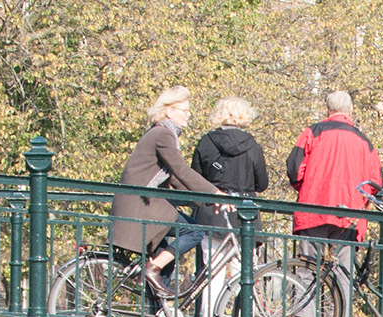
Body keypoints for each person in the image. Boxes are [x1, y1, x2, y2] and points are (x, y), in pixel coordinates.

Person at [113, 87, 222, 296]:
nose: (189, 114)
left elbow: (173, 177)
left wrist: (203, 201)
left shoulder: (160, 132)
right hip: (141, 206)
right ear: (169, 111)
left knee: (166, 259)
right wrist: (214, 193)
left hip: (143, 204)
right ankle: (151, 268)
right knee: (195, 231)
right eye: (184, 110)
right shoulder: (163, 134)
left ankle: (157, 314)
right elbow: (180, 169)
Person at [284, 90, 383, 273]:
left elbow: (294, 171)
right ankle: (342, 293)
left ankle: (306, 293)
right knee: (344, 272)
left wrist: (309, 189)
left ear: (327, 110)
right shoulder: (363, 141)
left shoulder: (312, 133)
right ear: (350, 111)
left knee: (307, 270)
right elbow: (376, 182)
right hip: (349, 213)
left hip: (313, 208)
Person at [192, 97, 268, 227]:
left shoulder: (205, 142)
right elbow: (262, 184)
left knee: (209, 240)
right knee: (244, 241)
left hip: (211, 210)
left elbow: (194, 179)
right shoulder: (253, 146)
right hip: (245, 215)